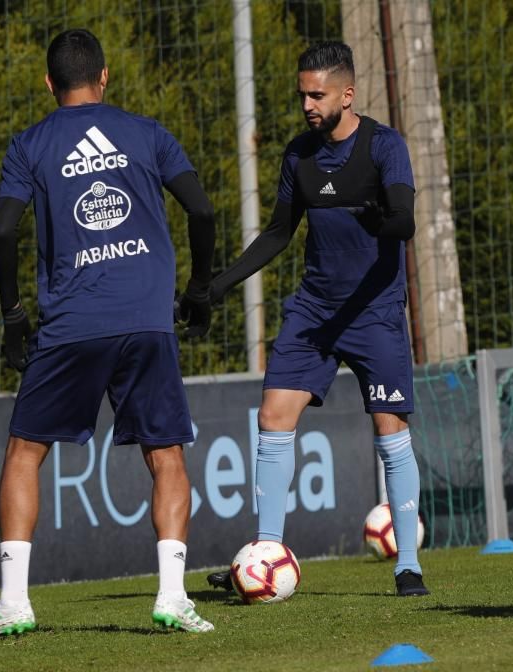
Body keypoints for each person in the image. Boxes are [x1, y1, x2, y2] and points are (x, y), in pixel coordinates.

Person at [0, 28, 216, 641]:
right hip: (147, 319)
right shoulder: (148, 133)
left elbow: (2, 234)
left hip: (71, 325)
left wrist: (14, 314)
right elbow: (201, 211)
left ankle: (15, 602)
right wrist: (199, 288)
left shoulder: (30, 144)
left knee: (25, 452)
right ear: (104, 78)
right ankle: (174, 597)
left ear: (49, 84)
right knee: (167, 455)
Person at [196, 41, 427, 597]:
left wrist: (382, 220)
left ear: (347, 95)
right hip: (315, 310)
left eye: (317, 94)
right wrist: (218, 286)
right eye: (302, 93)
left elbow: (405, 222)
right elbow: (279, 233)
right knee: (273, 414)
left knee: (390, 429)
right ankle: (264, 553)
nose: (307, 103)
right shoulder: (299, 155)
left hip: (374, 310)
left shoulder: (384, 146)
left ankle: (409, 565)